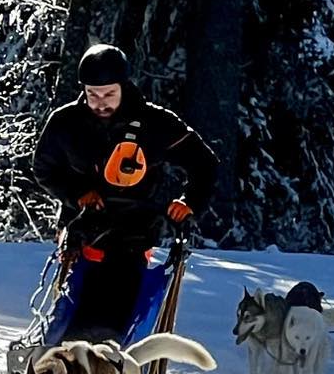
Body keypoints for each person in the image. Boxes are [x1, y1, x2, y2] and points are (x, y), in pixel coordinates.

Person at [32, 43, 218, 342]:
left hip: (134, 233)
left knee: (111, 320)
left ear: (124, 86)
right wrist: (78, 192)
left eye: (108, 94)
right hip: (82, 230)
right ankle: (57, 357)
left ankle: (106, 360)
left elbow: (204, 163)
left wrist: (190, 201)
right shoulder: (66, 123)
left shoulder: (155, 123)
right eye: (93, 94)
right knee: (70, 313)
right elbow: (44, 168)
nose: (100, 102)